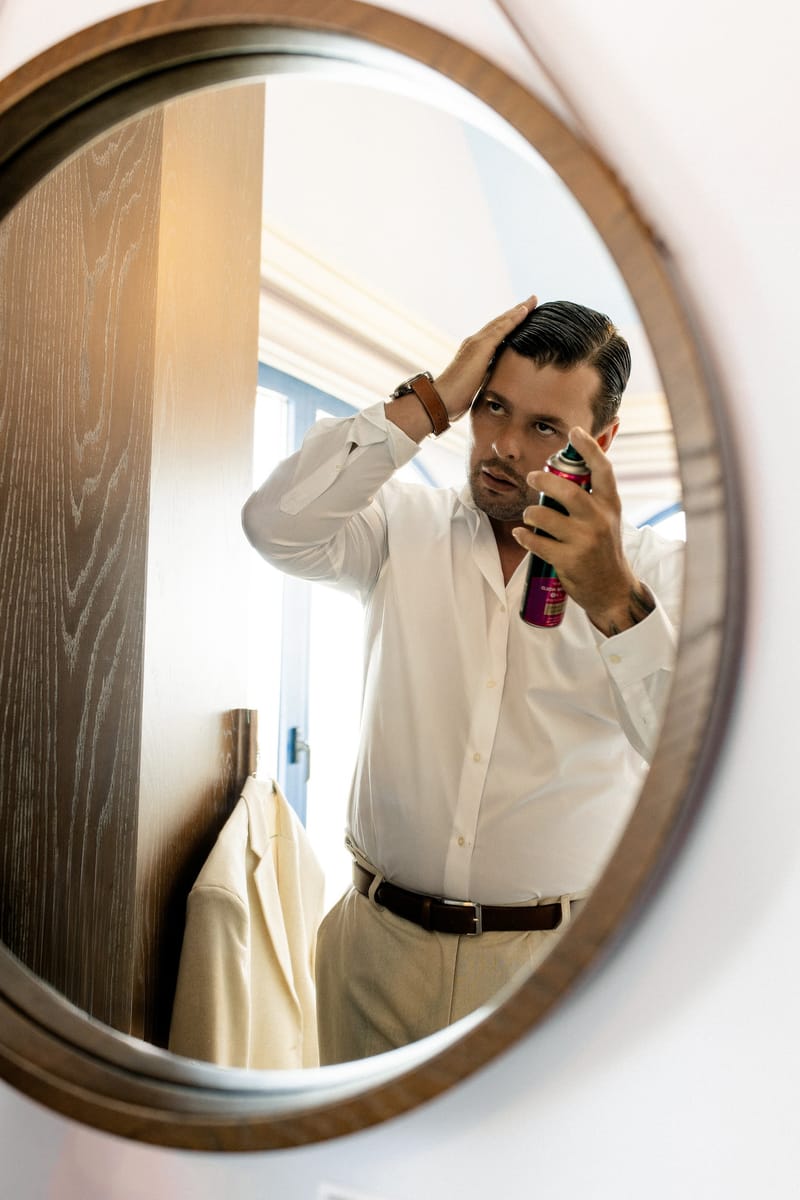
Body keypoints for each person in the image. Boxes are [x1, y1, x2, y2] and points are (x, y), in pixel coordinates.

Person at [242, 297, 683, 1063]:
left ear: (600, 443)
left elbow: (689, 756)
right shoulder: (397, 528)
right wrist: (433, 400)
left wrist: (613, 598)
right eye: (491, 408)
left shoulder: (657, 577)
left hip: (550, 974)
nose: (503, 446)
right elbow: (274, 525)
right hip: (371, 957)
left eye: (545, 427)